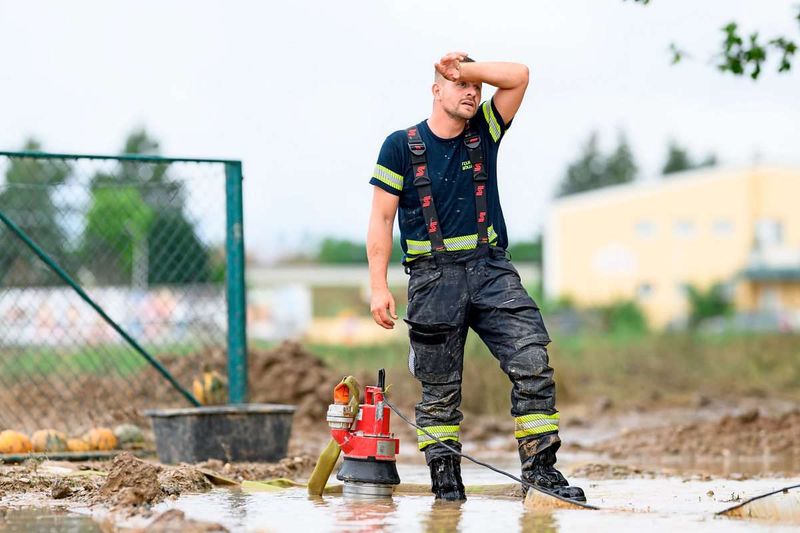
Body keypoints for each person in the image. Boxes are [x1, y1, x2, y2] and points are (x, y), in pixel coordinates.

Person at [366, 52, 585, 503]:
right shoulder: (400, 146)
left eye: (476, 87)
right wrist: (378, 286)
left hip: (491, 270)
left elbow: (520, 76)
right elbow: (380, 220)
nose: (471, 93)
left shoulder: (484, 130)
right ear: (436, 90)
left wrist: (469, 69)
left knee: (533, 364)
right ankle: (446, 486)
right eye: (459, 84)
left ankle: (540, 473)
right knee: (439, 392)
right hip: (431, 279)